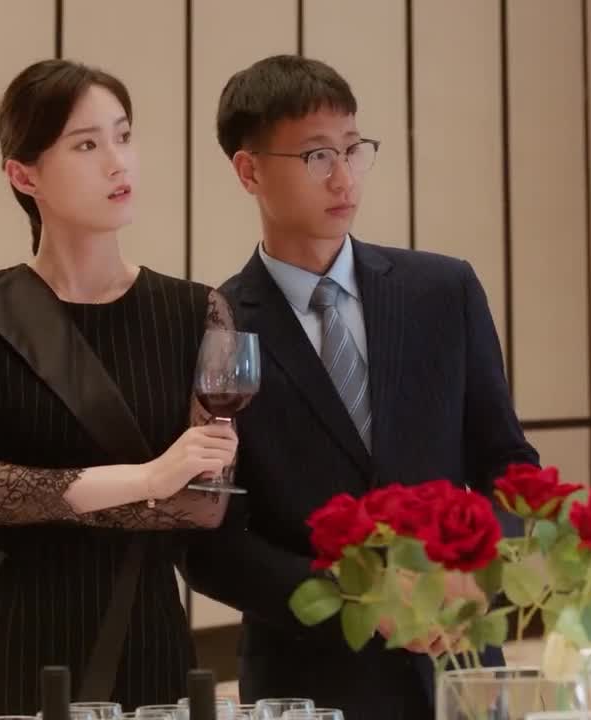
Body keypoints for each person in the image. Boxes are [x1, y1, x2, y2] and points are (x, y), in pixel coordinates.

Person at [183, 55, 539, 719]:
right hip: (307, 683)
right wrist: (361, 600)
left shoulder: (444, 291)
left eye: (353, 149)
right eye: (316, 156)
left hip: (459, 667)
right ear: (249, 171)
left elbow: (511, 468)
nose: (344, 177)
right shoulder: (214, 327)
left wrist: (474, 566)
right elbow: (210, 546)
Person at [0, 58, 238, 716]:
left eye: (124, 136)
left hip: (145, 635)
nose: (118, 163)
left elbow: (204, 505)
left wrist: (28, 496)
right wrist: (149, 479)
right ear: (24, 175)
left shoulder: (197, 311)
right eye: (87, 145)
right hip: (9, 638)